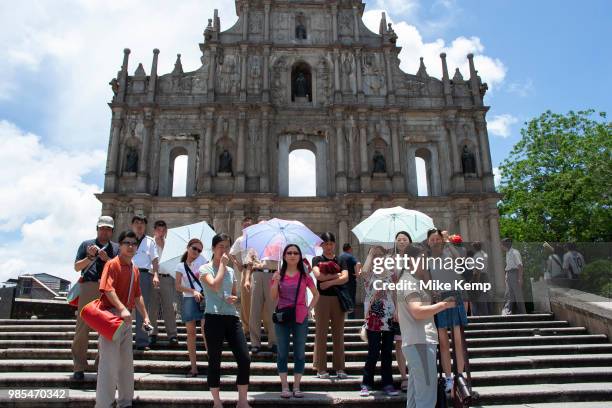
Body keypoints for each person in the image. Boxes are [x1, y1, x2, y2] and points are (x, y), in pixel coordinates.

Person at [95, 230, 151, 408]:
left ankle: (125, 401)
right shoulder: (112, 264)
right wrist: (121, 308)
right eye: (127, 243)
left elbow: (137, 295)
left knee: (126, 364)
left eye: (134, 244)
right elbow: (108, 289)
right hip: (111, 316)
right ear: (120, 245)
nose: (131, 246)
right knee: (108, 364)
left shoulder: (134, 268)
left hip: (127, 318)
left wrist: (146, 317)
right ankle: (103, 404)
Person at [397, 250, 456, 408]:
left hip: (416, 342)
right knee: (426, 399)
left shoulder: (411, 280)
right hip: (420, 342)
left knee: (416, 399)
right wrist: (444, 305)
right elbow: (417, 311)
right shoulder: (409, 282)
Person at [200, 233, 251, 408]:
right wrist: (221, 265)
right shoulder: (204, 269)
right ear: (213, 248)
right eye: (221, 246)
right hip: (213, 317)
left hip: (231, 317)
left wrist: (234, 298)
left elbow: (235, 294)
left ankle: (242, 401)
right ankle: (216, 402)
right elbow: (214, 285)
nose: (224, 250)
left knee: (244, 359)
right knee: (214, 360)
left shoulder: (230, 271)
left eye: (227, 247)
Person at [71, 216, 119, 380]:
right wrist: (90, 257)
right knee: (82, 327)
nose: (104, 231)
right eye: (102, 228)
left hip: (107, 289)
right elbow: (77, 267)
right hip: (89, 286)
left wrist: (108, 260)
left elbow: (119, 270)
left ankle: (102, 365)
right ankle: (78, 366)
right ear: (97, 228)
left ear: (112, 231)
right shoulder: (86, 245)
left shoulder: (116, 248)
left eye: (108, 228)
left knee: (106, 328)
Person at [270, 244, 319, 399]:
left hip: (300, 316)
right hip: (282, 317)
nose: (292, 255)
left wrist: (309, 308)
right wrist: (276, 281)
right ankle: (284, 386)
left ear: (299, 256)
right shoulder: (278, 274)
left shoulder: (305, 276)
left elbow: (316, 294)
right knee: (282, 352)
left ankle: (297, 386)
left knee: (299, 353)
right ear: (284, 256)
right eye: (289, 253)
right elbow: (273, 297)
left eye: (295, 253)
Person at [427, 228, 469, 393]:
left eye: (437, 239)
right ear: (428, 242)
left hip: (454, 295)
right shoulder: (427, 259)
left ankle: (460, 374)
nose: (435, 241)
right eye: (432, 239)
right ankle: (449, 377)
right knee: (443, 342)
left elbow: (460, 261)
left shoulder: (449, 254)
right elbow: (426, 279)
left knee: (457, 339)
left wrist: (448, 243)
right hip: (439, 299)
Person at [359, 245, 399, 397]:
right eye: (375, 256)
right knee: (373, 352)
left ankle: (387, 383)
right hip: (374, 315)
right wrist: (371, 253)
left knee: (388, 352)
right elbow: (363, 272)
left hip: (389, 314)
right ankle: (366, 383)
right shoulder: (369, 274)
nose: (378, 258)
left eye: (380, 255)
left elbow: (395, 293)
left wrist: (396, 310)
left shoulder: (391, 274)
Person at [312, 232, 349, 379]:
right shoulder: (317, 259)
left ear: (334, 244)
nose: (328, 246)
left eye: (331, 243)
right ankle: (321, 368)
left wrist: (329, 282)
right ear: (321, 245)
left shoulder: (341, 259)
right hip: (322, 299)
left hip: (338, 298)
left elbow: (345, 278)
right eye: (325, 244)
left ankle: (340, 367)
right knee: (321, 333)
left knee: (338, 334)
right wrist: (336, 276)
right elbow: (318, 276)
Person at [175, 238, 208, 377]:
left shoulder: (203, 262)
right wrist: (192, 291)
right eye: (194, 248)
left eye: (199, 250)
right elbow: (177, 286)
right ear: (188, 247)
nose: (196, 252)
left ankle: (212, 363)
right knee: (191, 333)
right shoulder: (180, 266)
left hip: (203, 298)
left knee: (206, 330)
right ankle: (193, 367)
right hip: (188, 299)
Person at [131, 214, 161, 351]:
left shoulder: (150, 241)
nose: (139, 225)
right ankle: (121, 338)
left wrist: (155, 275)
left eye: (142, 223)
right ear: (132, 225)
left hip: (143, 275)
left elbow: (155, 260)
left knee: (142, 309)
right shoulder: (127, 240)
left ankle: (142, 341)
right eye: (137, 222)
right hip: (127, 273)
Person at [149, 219, 179, 347]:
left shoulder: (170, 244)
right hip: (152, 276)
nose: (161, 233)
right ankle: (152, 334)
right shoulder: (149, 243)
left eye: (163, 230)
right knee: (152, 308)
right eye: (158, 230)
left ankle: (172, 335)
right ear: (154, 230)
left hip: (167, 278)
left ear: (166, 231)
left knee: (169, 307)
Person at [391, 231, 413, 391]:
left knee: (415, 341)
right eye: (399, 239)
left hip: (416, 303)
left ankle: (415, 373)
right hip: (399, 304)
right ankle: (404, 376)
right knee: (399, 342)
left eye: (405, 239)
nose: (402, 242)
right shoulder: (392, 261)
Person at [501, 237, 526, 315]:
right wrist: (506, 276)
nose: (501, 247)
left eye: (502, 245)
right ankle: (509, 311)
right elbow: (508, 266)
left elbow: (520, 266)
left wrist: (520, 278)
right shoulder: (508, 253)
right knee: (509, 294)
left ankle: (522, 313)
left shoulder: (515, 252)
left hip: (515, 273)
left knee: (518, 294)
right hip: (509, 274)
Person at [338, 243, 361, 319]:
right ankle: (351, 318)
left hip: (341, 281)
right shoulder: (350, 256)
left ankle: (342, 317)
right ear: (349, 248)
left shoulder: (339, 257)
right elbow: (358, 263)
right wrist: (357, 274)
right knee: (351, 299)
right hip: (350, 281)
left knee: (342, 299)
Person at [470, 241, 491, 316]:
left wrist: (476, 281)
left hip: (479, 276)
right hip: (485, 275)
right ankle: (486, 312)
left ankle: (483, 314)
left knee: (479, 296)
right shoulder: (484, 254)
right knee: (484, 295)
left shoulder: (476, 256)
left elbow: (478, 269)